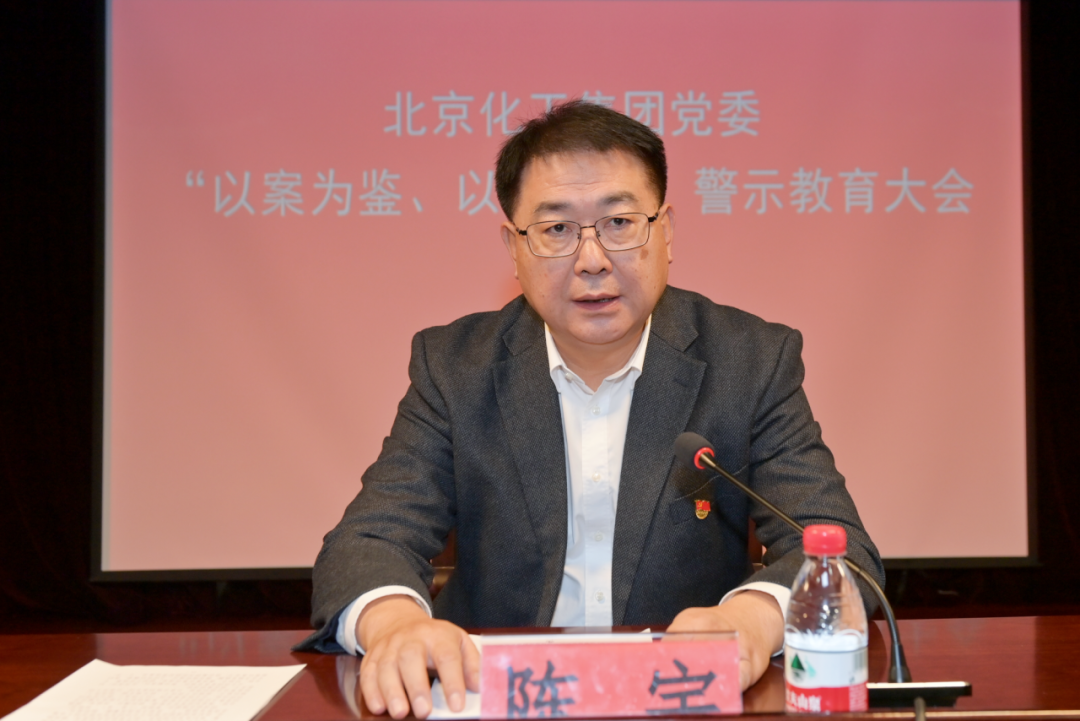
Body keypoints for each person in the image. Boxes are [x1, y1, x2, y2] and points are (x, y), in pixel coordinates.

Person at [296, 100, 883, 719]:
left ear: (666, 232)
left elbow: (841, 551)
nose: (593, 259)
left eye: (620, 223)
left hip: (682, 701)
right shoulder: (456, 368)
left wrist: (752, 619)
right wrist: (394, 625)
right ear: (514, 248)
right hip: (499, 700)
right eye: (556, 230)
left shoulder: (750, 361)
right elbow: (369, 540)